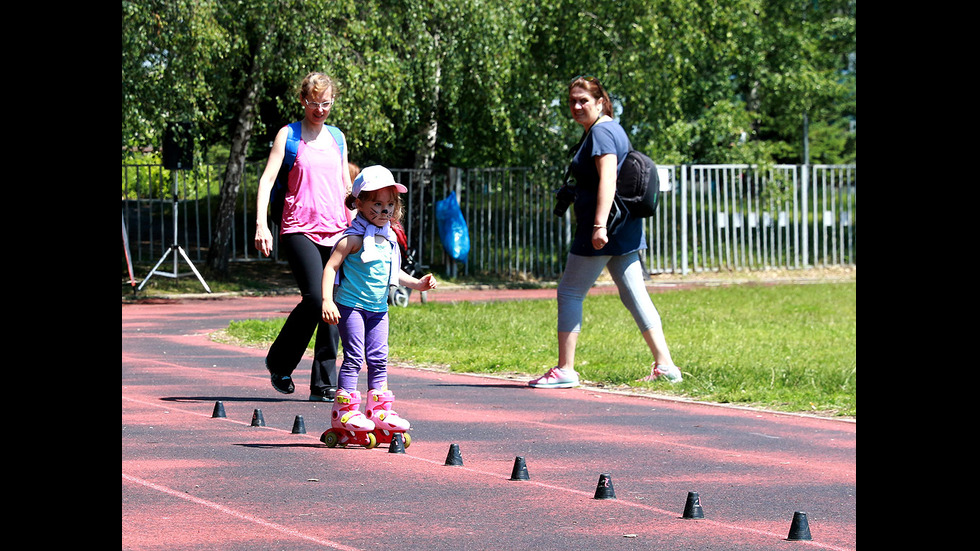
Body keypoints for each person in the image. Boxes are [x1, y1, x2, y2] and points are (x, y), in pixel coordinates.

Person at [529, 75, 683, 389]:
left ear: (600, 102)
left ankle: (566, 369)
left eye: (583, 100)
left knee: (569, 292)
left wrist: (599, 225)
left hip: (603, 227)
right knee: (633, 293)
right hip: (624, 226)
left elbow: (608, 179)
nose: (576, 106)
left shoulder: (601, 132)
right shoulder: (609, 129)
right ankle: (665, 364)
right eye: (572, 100)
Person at [254, 71, 354, 402]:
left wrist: (359, 224)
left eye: (326, 103)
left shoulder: (337, 138)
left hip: (337, 229)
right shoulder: (289, 135)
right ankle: (279, 362)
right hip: (299, 228)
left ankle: (323, 384)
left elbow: (346, 187)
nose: (320, 109)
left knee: (333, 305)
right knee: (315, 297)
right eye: (314, 103)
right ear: (303, 101)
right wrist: (261, 223)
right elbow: (268, 180)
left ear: (333, 102)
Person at [321, 165, 438, 439]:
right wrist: (328, 300)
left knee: (379, 358)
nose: (385, 210)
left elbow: (391, 272)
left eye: (389, 204)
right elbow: (330, 268)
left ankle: (379, 410)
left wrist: (418, 283)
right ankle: (345, 410)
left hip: (378, 309)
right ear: (359, 203)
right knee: (353, 357)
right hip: (351, 307)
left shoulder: (387, 239)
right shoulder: (352, 238)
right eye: (377, 203)